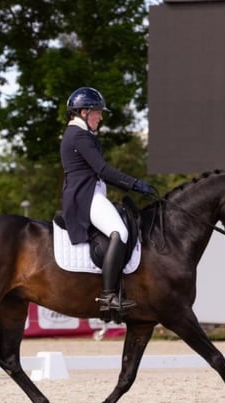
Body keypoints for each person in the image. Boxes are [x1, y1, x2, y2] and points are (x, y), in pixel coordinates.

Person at [60, 86, 157, 317]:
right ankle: (108, 295)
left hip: (91, 194)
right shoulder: (79, 136)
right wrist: (135, 184)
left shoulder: (80, 134)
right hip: (85, 197)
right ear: (83, 112)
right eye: (97, 112)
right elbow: (103, 170)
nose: (100, 117)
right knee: (119, 232)